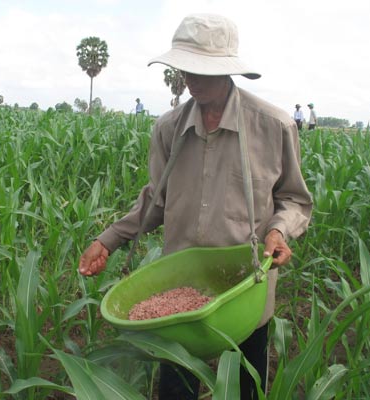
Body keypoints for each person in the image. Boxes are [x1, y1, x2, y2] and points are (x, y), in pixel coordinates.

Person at [79, 13, 312, 400]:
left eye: (201, 68)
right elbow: (157, 199)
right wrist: (108, 240)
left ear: (226, 69)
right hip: (180, 292)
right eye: (184, 67)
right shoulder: (169, 128)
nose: (190, 78)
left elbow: (294, 198)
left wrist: (278, 230)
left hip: (244, 290)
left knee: (244, 388)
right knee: (175, 390)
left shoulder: (272, 126)